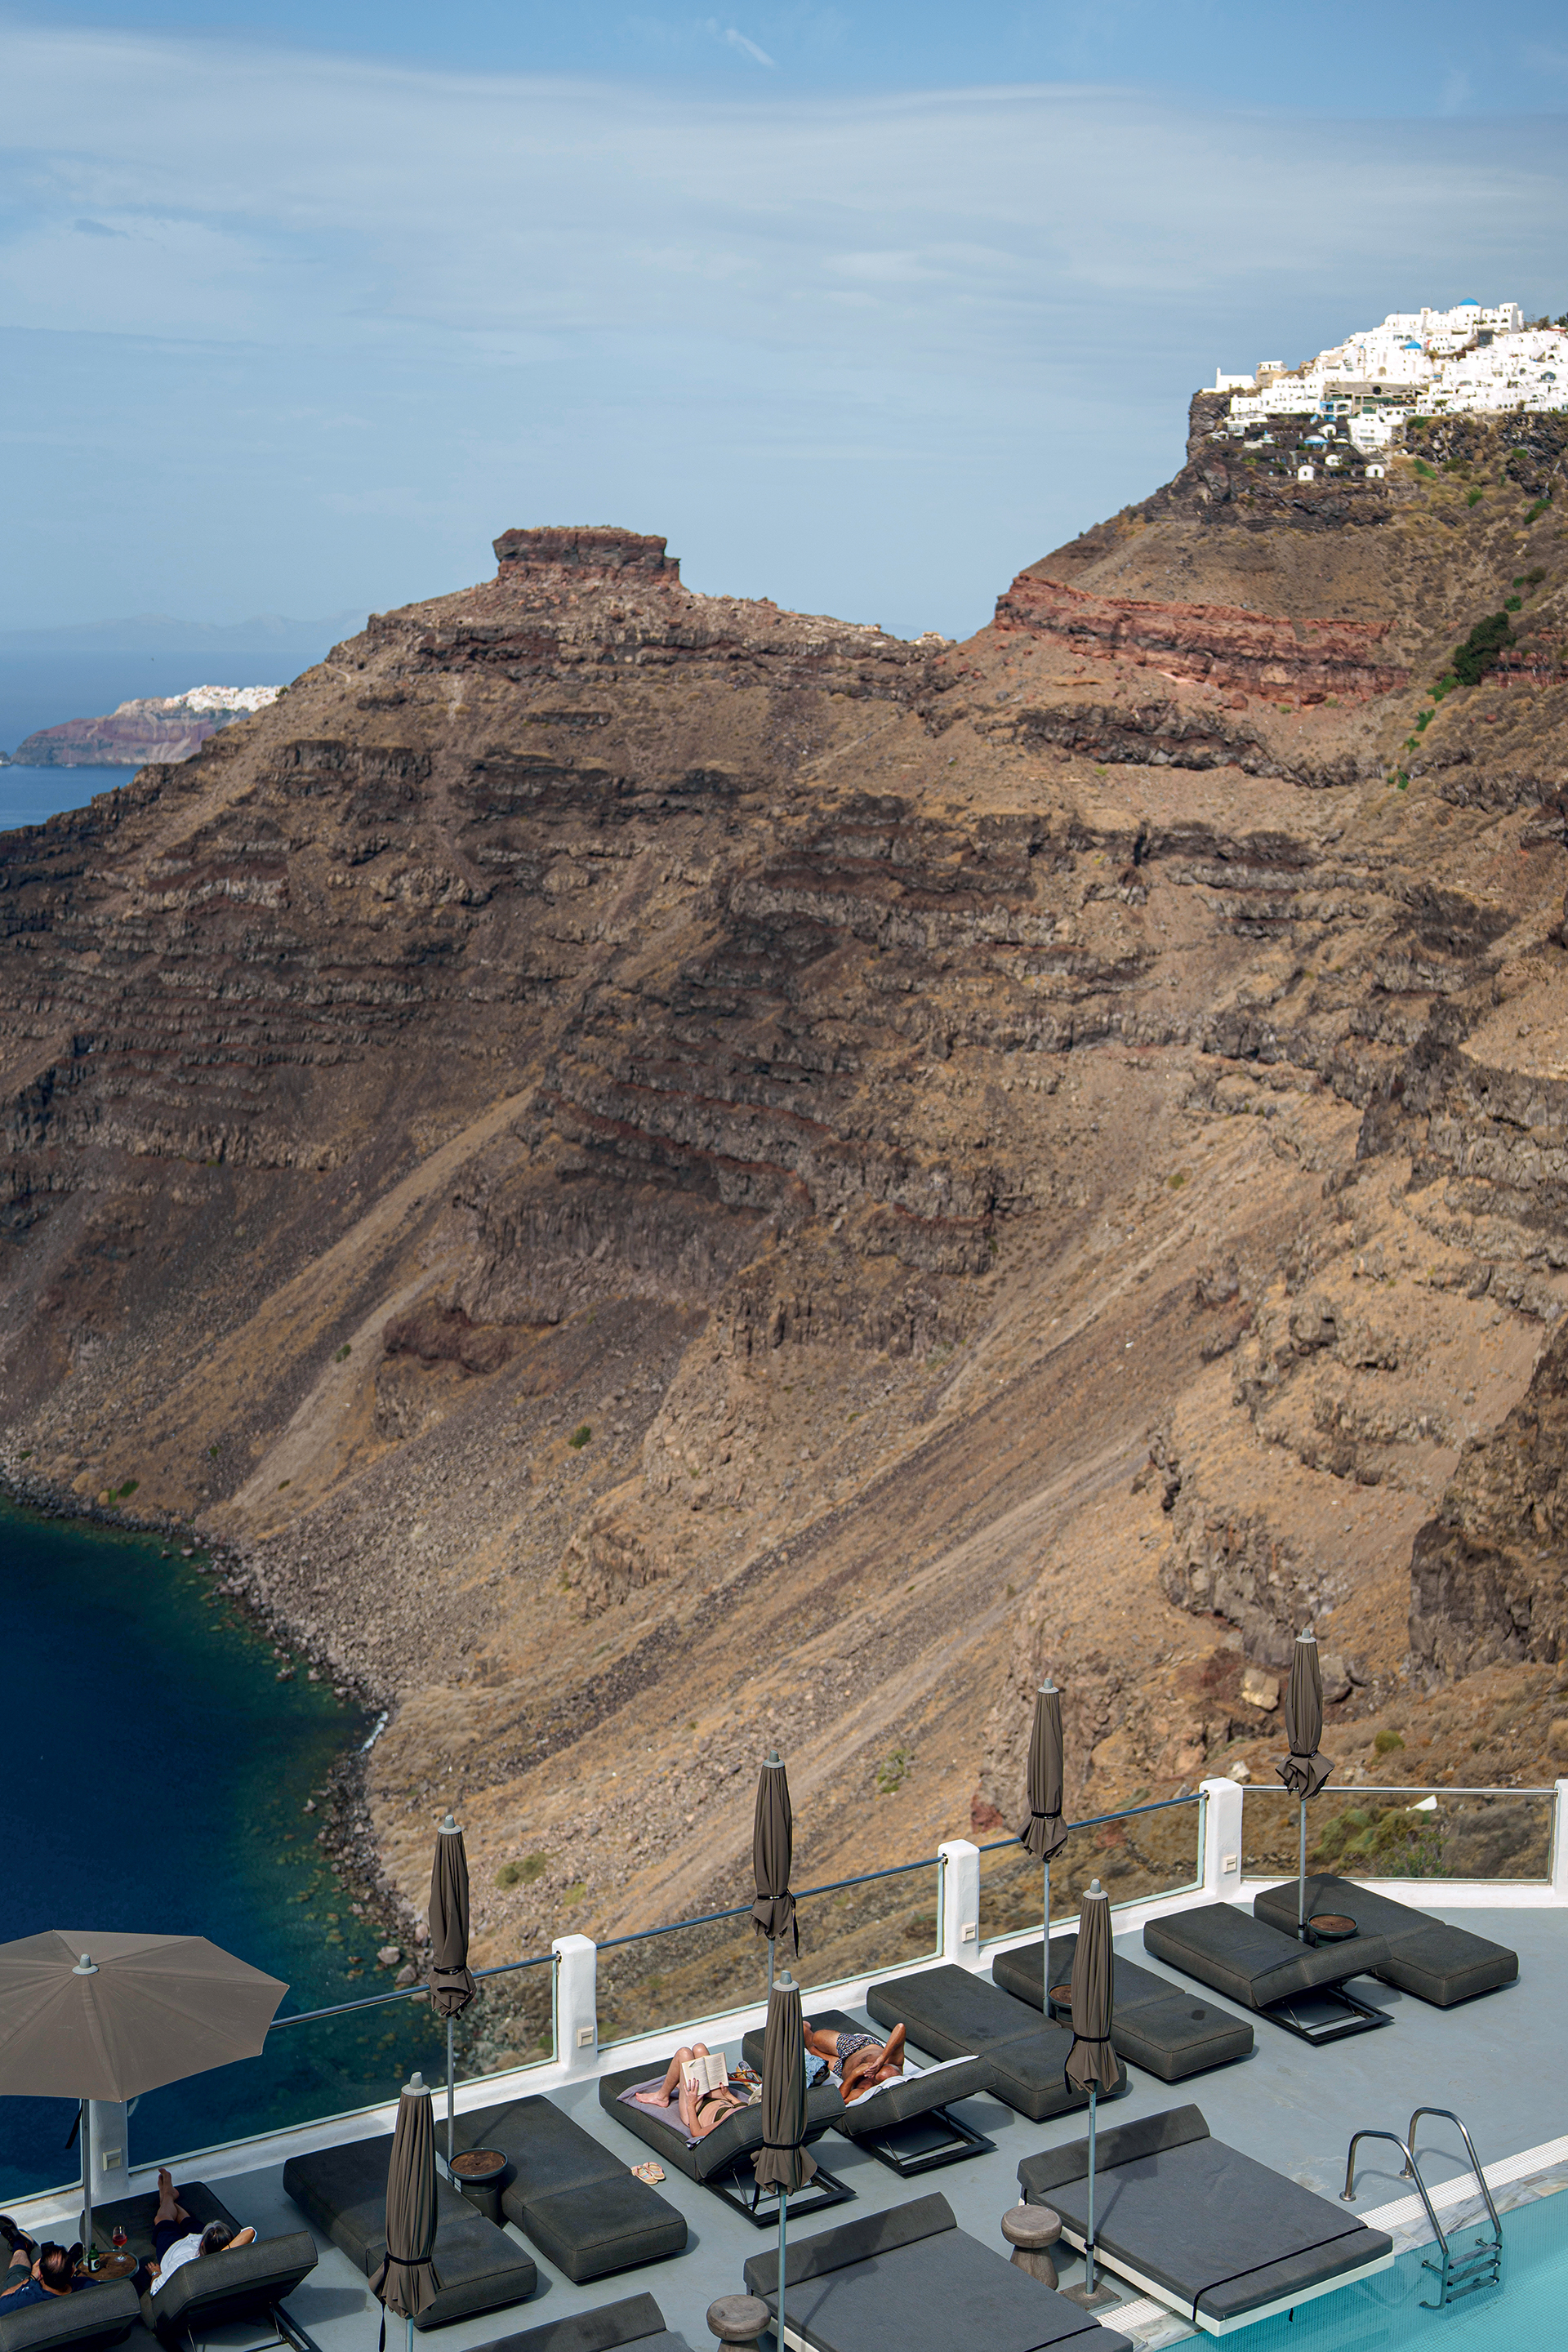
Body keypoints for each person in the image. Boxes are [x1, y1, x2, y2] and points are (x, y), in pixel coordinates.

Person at [146, 2171, 256, 2294]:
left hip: (173, 2249)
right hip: (200, 2239)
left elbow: (155, 2289)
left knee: (162, 2218)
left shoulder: (183, 2266)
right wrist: (220, 2255)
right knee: (187, 2220)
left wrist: (156, 2273)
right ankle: (168, 2198)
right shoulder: (230, 2256)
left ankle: (167, 2197)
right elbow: (250, 2232)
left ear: (203, 2244)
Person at [631, 2042, 769, 2140]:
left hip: (697, 2107)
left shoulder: (729, 2124)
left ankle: (661, 2097)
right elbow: (741, 2106)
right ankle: (682, 2080)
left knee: (684, 2053)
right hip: (720, 2098)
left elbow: (697, 2133)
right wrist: (727, 2094)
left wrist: (691, 2104)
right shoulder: (750, 2114)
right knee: (699, 2048)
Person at [804, 2020, 907, 2103]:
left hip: (841, 2067)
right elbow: (900, 2027)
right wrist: (881, 2059)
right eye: (879, 2069)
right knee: (817, 2038)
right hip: (859, 2047)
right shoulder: (895, 2064)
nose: (871, 2074)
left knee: (812, 2050)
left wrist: (854, 2074)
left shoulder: (867, 2089)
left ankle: (803, 2027)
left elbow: (841, 2100)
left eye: (873, 2076)